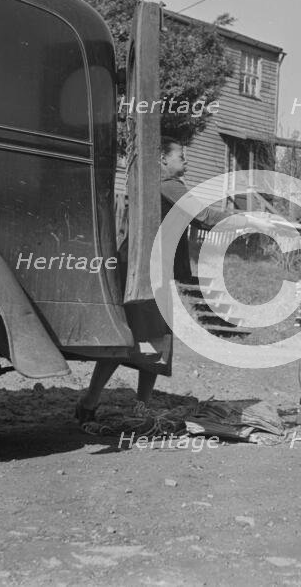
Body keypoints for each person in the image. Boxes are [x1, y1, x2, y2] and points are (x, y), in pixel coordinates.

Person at [75, 136, 271, 432]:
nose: (187, 160)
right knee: (151, 341)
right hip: (148, 273)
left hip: (142, 269)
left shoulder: (152, 183)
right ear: (163, 160)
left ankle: (96, 405)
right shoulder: (167, 185)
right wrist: (250, 220)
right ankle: (115, 406)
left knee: (139, 341)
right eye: (181, 155)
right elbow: (204, 217)